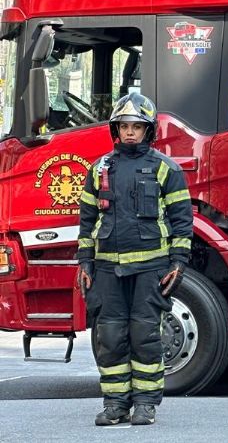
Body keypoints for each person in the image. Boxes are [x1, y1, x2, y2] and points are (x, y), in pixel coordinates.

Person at [76, 94, 193, 426]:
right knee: (109, 337)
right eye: (124, 126)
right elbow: (86, 220)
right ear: (116, 129)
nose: (130, 133)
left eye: (136, 127)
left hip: (150, 268)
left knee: (146, 336)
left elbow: (182, 219)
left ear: (148, 131)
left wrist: (178, 262)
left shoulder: (165, 169)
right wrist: (84, 261)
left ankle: (145, 403)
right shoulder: (99, 169)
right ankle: (115, 404)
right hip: (105, 270)